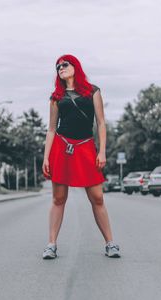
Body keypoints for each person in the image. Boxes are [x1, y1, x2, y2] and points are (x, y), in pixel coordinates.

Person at [42, 54, 120, 259]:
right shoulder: (56, 97)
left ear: (75, 66)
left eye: (65, 64)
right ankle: (51, 245)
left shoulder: (92, 91)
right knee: (59, 198)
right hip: (62, 147)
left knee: (97, 197)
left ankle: (110, 243)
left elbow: (101, 123)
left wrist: (102, 151)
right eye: (57, 66)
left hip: (86, 148)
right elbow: (51, 129)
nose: (61, 67)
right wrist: (46, 157)